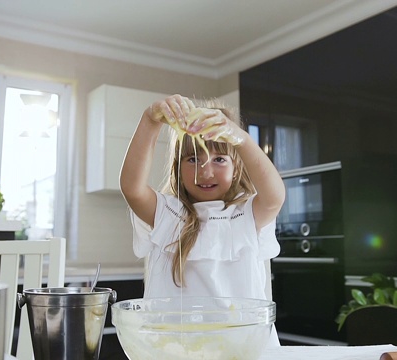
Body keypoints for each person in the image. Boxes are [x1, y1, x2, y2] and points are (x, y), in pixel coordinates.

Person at [119, 94, 285, 344]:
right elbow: (132, 188)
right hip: (174, 349)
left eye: (219, 159)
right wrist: (150, 119)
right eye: (193, 159)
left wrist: (239, 137)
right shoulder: (167, 214)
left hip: (243, 349)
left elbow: (274, 197)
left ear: (236, 167)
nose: (205, 172)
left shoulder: (246, 214)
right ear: (177, 165)